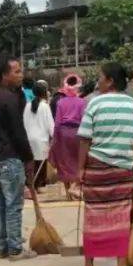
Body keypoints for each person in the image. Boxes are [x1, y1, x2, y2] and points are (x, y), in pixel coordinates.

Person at [77, 62, 133, 266]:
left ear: (109, 80)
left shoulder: (93, 104)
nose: (97, 81)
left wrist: (80, 168)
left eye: (100, 77)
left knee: (93, 215)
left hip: (96, 167)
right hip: (122, 168)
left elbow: (84, 139)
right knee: (120, 216)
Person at [0, 56, 36, 261]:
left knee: (0, 204)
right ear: (4, 75)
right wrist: (28, 157)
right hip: (10, 157)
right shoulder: (9, 99)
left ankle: (1, 246)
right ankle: (15, 247)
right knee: (13, 204)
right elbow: (18, 132)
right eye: (16, 71)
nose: (20, 74)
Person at [49, 73, 86, 201]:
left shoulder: (61, 102)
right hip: (78, 133)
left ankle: (67, 192)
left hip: (63, 133)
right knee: (77, 161)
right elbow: (83, 120)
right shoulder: (82, 102)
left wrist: (55, 138)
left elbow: (57, 122)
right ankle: (76, 187)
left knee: (64, 162)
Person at [23, 80, 55, 192]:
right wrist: (54, 136)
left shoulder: (27, 106)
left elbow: (24, 122)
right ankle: (37, 186)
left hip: (29, 138)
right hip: (41, 139)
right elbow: (50, 124)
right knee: (40, 163)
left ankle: (30, 185)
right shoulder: (45, 106)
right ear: (45, 93)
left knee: (31, 163)